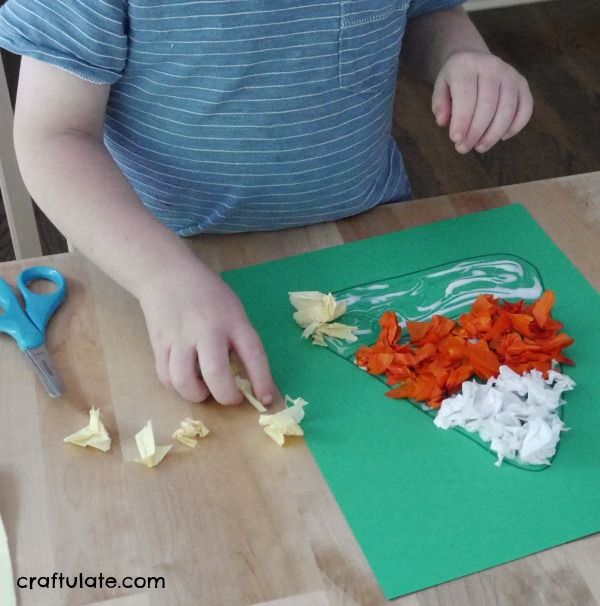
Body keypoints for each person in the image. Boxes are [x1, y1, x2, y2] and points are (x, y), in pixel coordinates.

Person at [0, 0, 533, 406]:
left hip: (367, 232)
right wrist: (162, 277)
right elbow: (54, 136)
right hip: (165, 268)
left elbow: (427, 12)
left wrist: (461, 54)